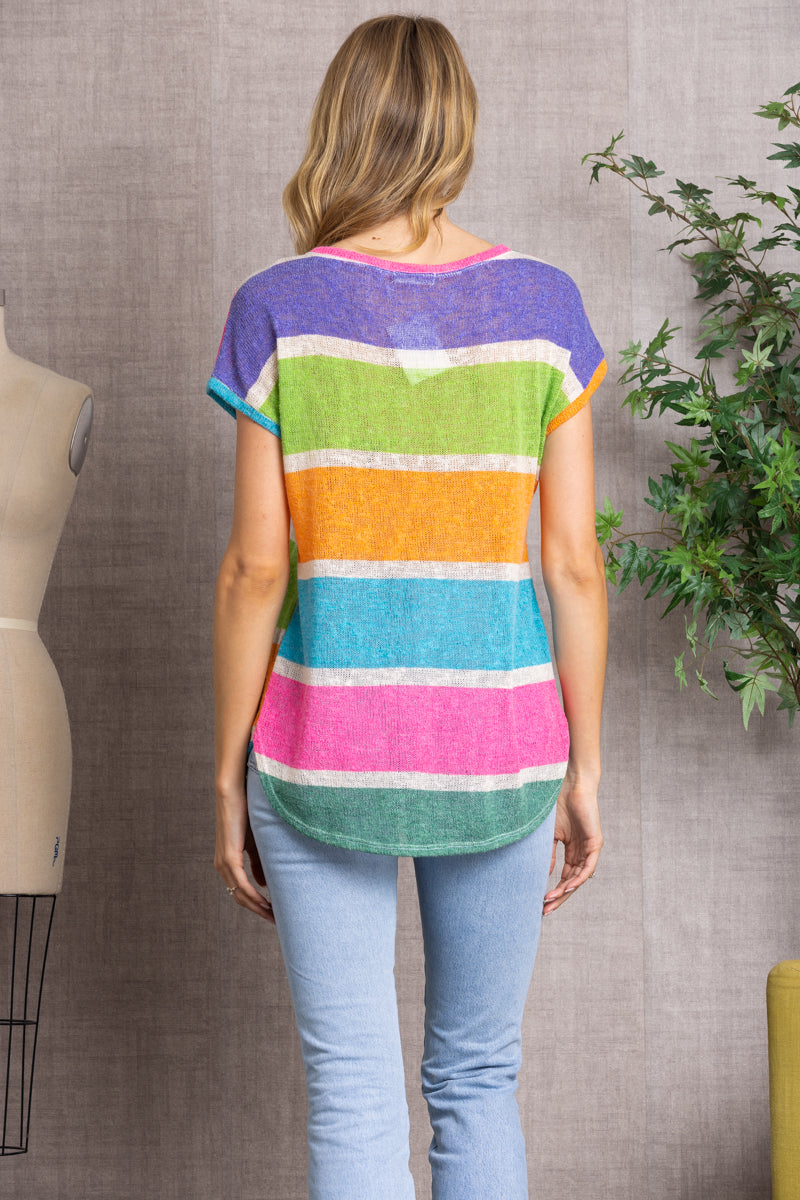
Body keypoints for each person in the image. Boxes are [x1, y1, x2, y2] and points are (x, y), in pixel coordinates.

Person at [206, 14, 608, 1199]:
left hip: (318, 746)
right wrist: (584, 767)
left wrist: (225, 776)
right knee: (477, 1081)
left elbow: (252, 570)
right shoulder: (543, 306)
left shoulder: (276, 306)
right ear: (456, 130)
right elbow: (573, 564)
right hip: (500, 751)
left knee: (352, 1091)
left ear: (338, 125)